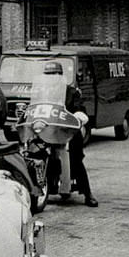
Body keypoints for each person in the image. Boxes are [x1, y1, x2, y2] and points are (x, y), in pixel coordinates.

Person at [43, 61, 98, 207]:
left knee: (75, 160)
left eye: (54, 74)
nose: (51, 78)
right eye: (48, 75)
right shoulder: (42, 92)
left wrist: (79, 115)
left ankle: (87, 194)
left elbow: (79, 108)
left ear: (60, 75)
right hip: (49, 130)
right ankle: (43, 188)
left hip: (68, 132)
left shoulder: (71, 92)